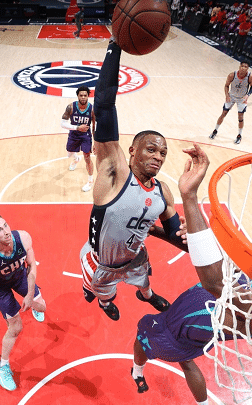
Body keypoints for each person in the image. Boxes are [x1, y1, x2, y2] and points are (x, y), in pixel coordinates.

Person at [130, 144, 252, 402]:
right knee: (187, 361)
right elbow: (212, 261)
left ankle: (137, 370)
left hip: (178, 330)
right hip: (188, 320)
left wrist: (189, 196)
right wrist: (157, 231)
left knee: (145, 340)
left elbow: (214, 281)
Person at [79, 38, 189, 321]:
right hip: (102, 263)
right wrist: (115, 45)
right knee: (104, 294)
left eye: (163, 153)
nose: (158, 156)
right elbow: (104, 106)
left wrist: (195, 240)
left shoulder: (163, 192)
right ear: (132, 151)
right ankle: (105, 303)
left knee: (144, 280)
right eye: (151, 149)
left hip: (136, 256)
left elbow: (175, 236)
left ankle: (146, 295)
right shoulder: (114, 173)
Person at [0, 213, 47, 391]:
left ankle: (32, 304)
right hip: (0, 288)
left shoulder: (23, 237)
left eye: (6, 225)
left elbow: (32, 265)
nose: (6, 231)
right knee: (16, 328)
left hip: (19, 277)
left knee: (42, 307)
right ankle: (2, 366)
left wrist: (30, 294)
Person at [210, 61, 252, 145]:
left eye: (245, 67)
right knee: (223, 114)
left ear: (248, 68)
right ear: (239, 66)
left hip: (242, 99)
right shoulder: (232, 75)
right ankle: (215, 130)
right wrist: (227, 96)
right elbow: (226, 85)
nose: (243, 68)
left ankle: (239, 135)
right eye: (242, 66)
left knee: (240, 117)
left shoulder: (251, 77)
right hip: (232, 96)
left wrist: (247, 95)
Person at [61, 86, 96, 192]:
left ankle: (90, 181)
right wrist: (77, 127)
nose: (83, 97)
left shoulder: (92, 109)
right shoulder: (70, 107)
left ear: (88, 96)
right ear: (78, 96)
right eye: (81, 95)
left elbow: (94, 127)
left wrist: (96, 142)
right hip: (74, 134)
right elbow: (62, 123)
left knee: (87, 157)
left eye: (85, 95)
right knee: (69, 153)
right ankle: (76, 159)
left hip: (86, 136)